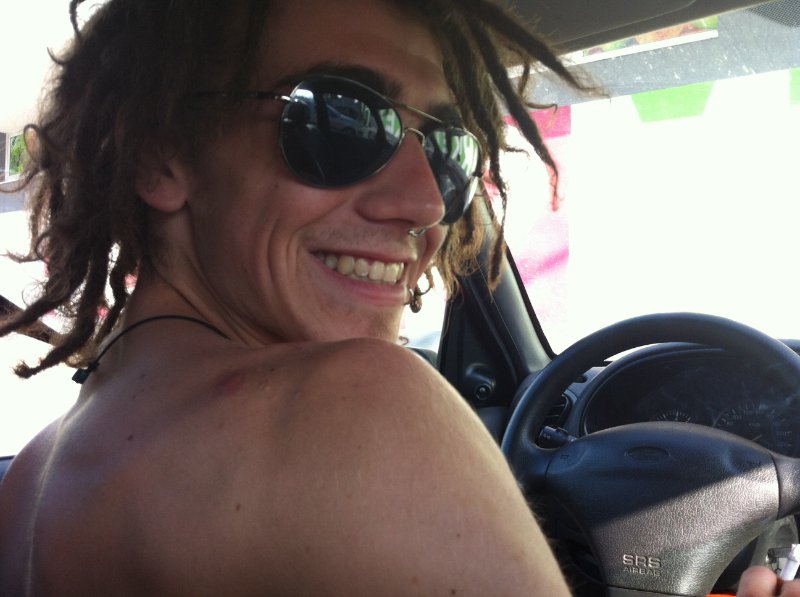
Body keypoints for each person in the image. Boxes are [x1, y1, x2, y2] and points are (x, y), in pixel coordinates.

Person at [0, 0, 796, 595]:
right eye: (341, 121)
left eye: (448, 149)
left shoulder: (33, 476)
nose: (424, 202)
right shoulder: (356, 407)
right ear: (160, 156)